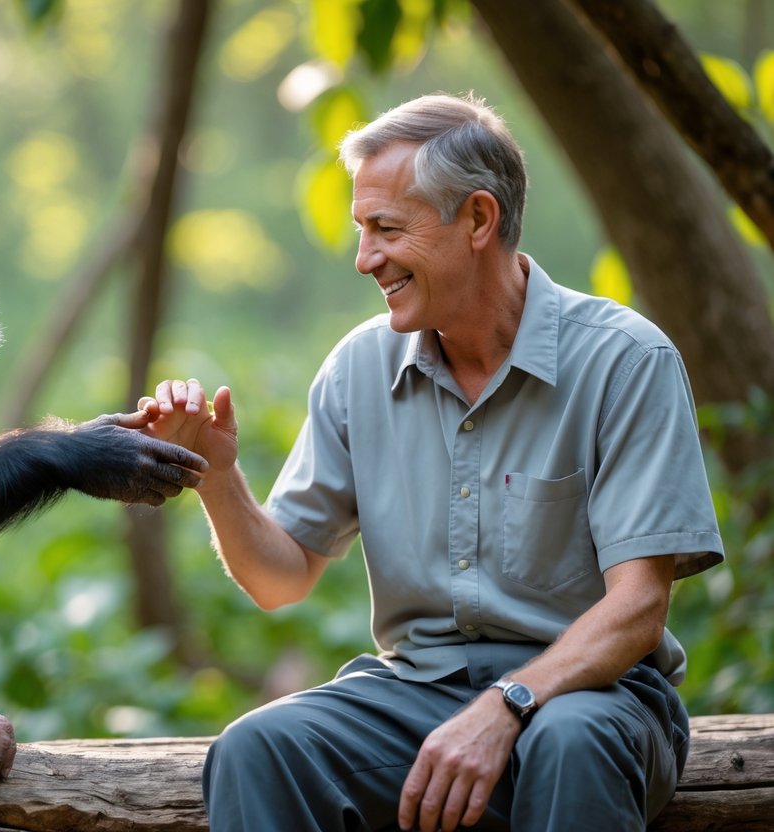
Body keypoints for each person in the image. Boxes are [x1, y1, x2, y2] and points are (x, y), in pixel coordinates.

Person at [138, 93, 724, 832]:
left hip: (596, 699)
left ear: (477, 220)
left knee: (566, 739)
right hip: (416, 695)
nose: (364, 259)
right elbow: (279, 578)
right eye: (361, 231)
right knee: (260, 747)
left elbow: (637, 610)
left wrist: (506, 706)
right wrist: (218, 478)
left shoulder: (624, 360)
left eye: (386, 229)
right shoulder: (358, 368)